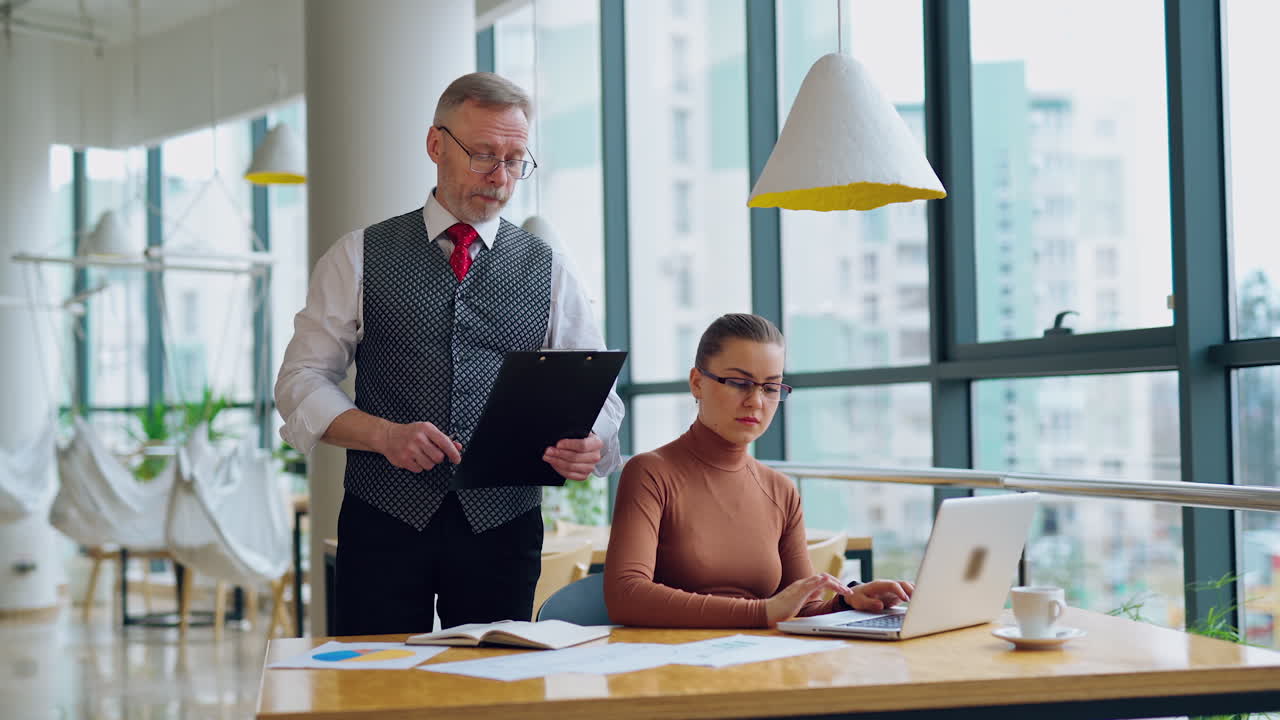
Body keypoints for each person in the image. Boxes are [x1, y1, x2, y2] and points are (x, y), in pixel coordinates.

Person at [275, 72, 623, 635]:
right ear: (436, 144)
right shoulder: (358, 255)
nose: (501, 178)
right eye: (484, 154)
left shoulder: (551, 267)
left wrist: (593, 440)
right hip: (382, 518)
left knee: (494, 691)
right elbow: (300, 381)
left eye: (515, 160)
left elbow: (599, 390)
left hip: (504, 525)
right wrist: (382, 435)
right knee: (375, 687)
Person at [604, 313, 912, 628]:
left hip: (759, 663)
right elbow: (625, 596)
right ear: (697, 383)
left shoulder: (781, 490)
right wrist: (760, 613)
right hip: (675, 668)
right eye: (740, 383)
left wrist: (848, 600)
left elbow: (800, 610)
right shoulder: (651, 473)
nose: (756, 402)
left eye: (770, 388)